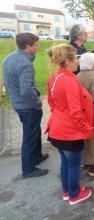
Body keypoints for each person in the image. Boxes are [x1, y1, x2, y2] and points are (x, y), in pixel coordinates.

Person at [46, 44, 94, 205]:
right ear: (68, 61)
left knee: (66, 162)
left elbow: (51, 103)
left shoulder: (55, 77)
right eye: (76, 59)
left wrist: (61, 116)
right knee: (73, 164)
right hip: (70, 132)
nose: (78, 62)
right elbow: (75, 111)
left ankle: (68, 191)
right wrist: (85, 129)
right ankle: (74, 195)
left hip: (56, 129)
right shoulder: (70, 80)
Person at [3, 32, 49, 179]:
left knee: (34, 131)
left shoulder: (9, 58)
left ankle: (37, 156)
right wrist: (37, 102)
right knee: (29, 136)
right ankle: (28, 170)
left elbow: (8, 83)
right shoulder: (25, 64)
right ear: (28, 46)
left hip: (18, 103)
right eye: (36, 45)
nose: (38, 47)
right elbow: (26, 90)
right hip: (28, 106)